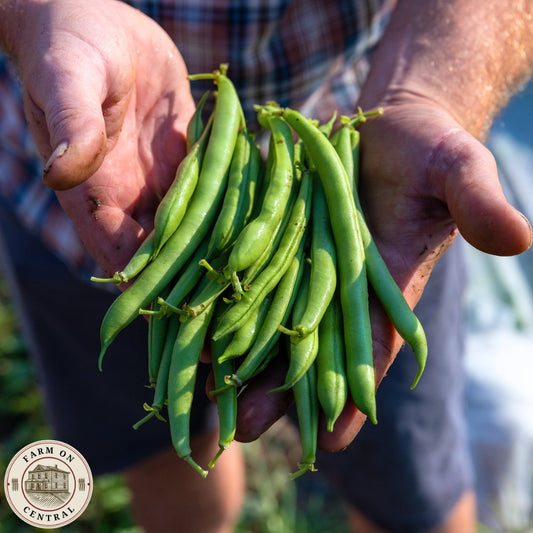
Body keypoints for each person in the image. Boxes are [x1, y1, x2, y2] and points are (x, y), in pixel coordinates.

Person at [1, 1, 532, 531]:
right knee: (159, 460)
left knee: (412, 491)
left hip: (374, 174)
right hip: (90, 168)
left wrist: (429, 89)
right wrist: (33, 15)